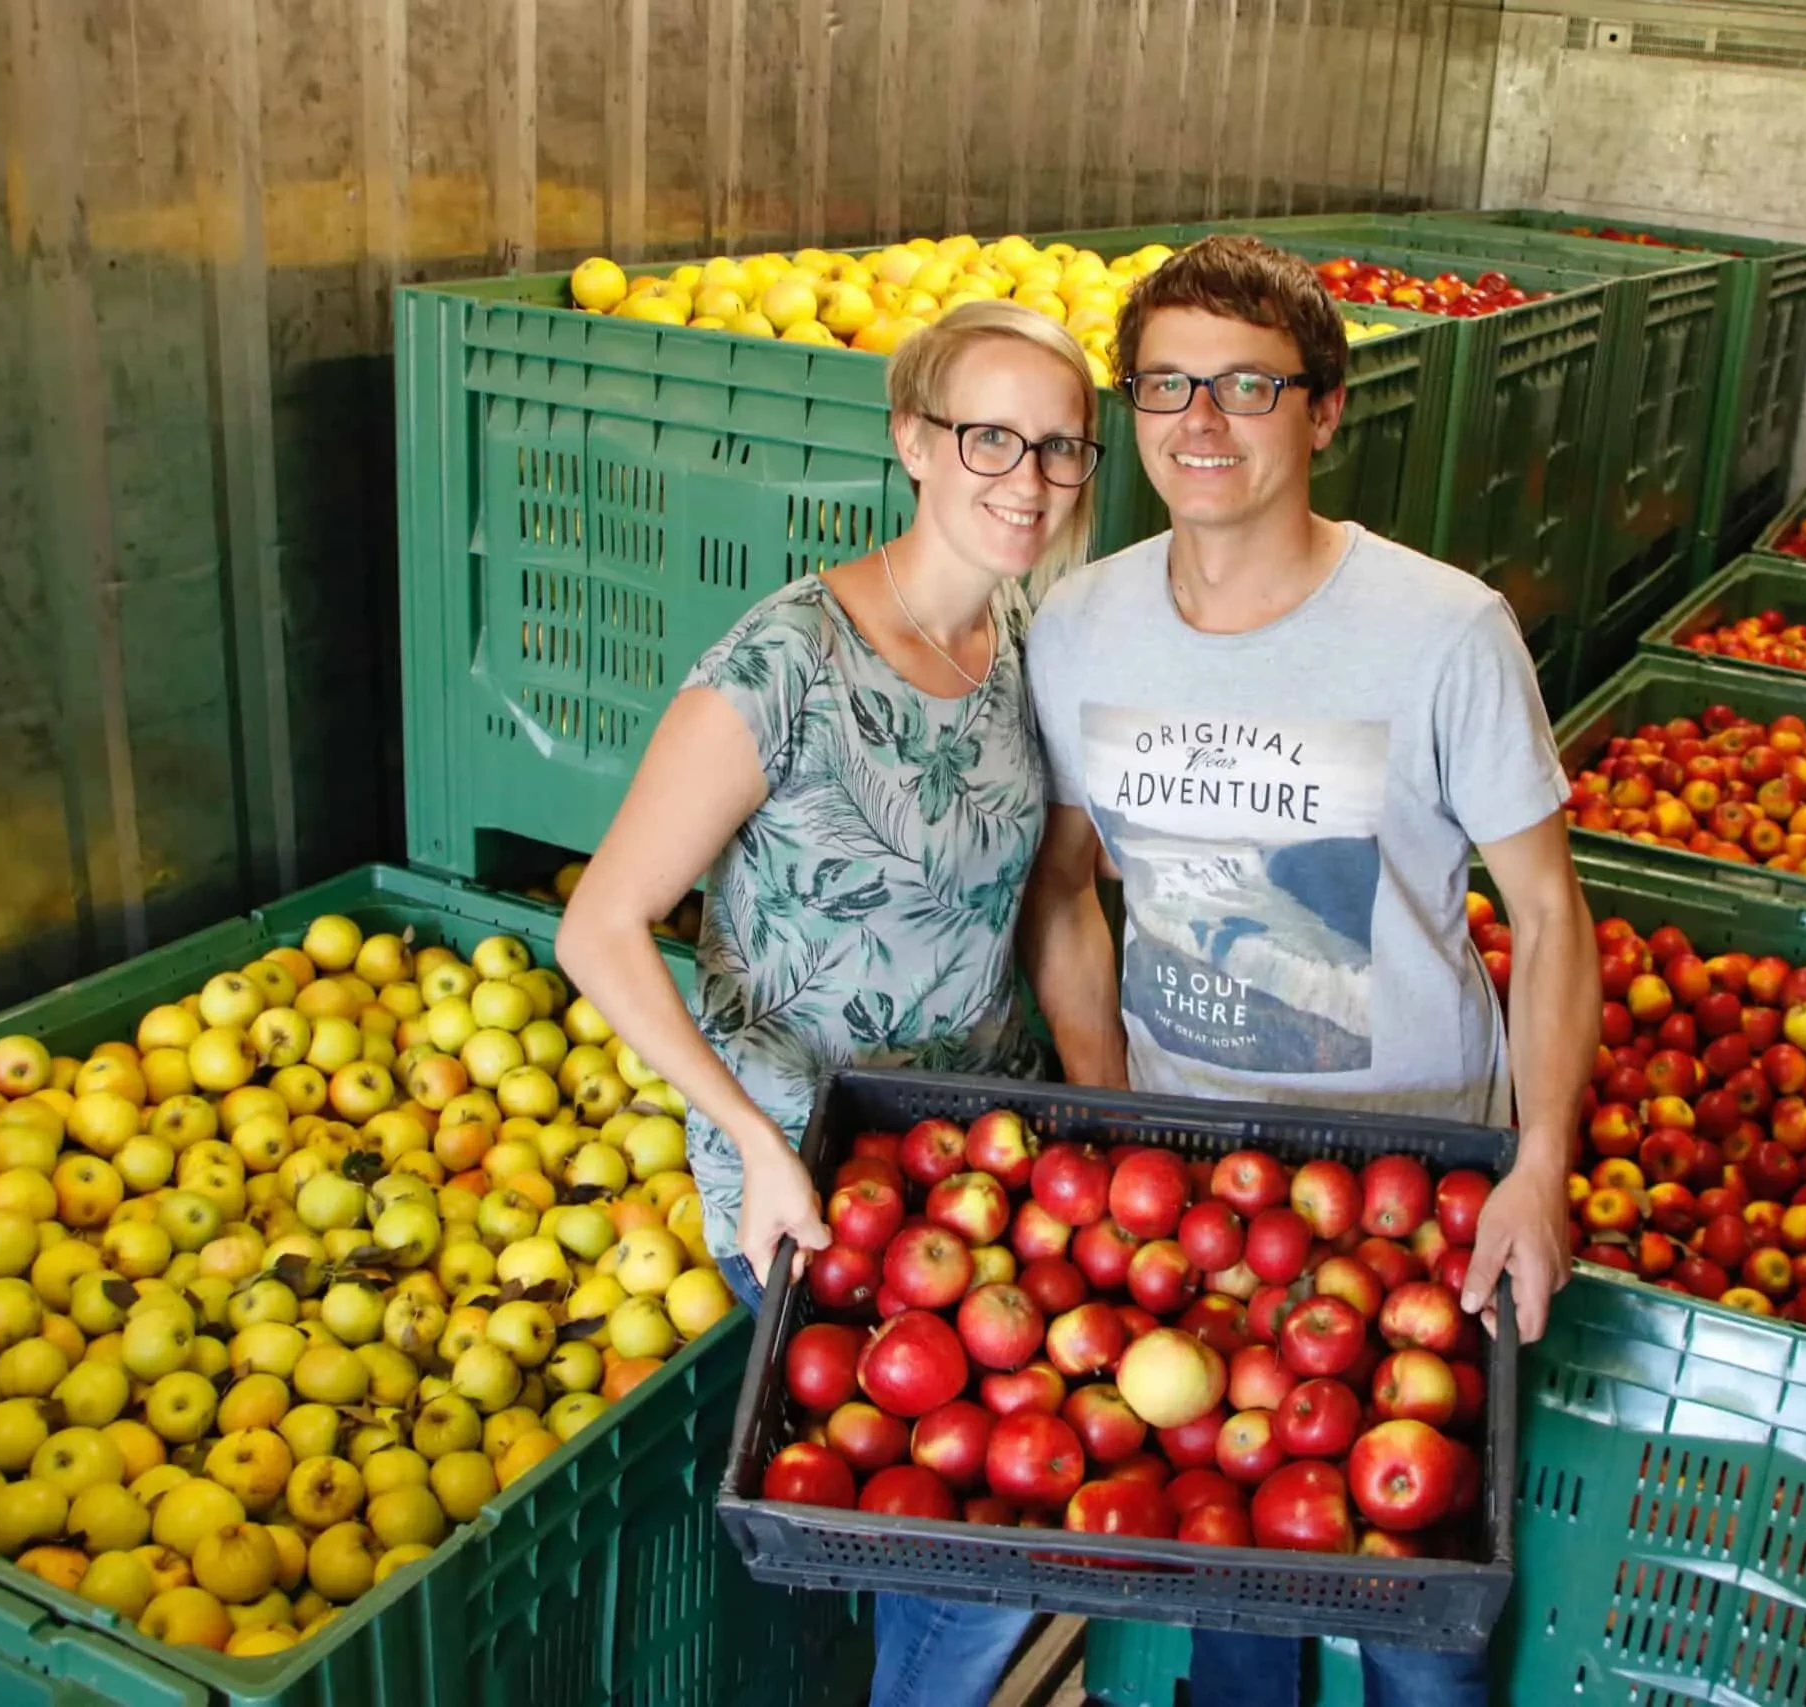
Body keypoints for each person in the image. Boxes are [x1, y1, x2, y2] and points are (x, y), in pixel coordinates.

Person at [1017, 234, 1597, 1706]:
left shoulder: (1443, 630)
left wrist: (1537, 1161)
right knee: (1234, 1564)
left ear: (1326, 410)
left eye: (1246, 386)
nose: (1198, 423)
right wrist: (1111, 1108)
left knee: (1414, 1601)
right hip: (1196, 1173)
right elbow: (1067, 882)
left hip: (1413, 1172)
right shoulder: (1080, 623)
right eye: (1165, 385)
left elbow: (1549, 909)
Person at [549, 299, 1107, 1707]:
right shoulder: (787, 658)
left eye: (1061, 447)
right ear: (913, 441)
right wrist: (744, 1137)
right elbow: (601, 927)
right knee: (972, 1545)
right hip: (802, 1172)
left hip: (977, 1154)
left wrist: (1112, 1117)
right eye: (991, 436)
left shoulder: (1025, 645)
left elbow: (1055, 894)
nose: (1027, 478)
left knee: (989, 1522)